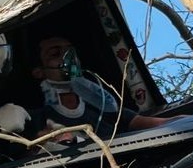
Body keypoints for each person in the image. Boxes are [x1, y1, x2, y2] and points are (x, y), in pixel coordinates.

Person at [28, 36, 172, 140]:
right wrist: (42, 144)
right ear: (38, 71)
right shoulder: (34, 119)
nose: (69, 59)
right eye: (55, 54)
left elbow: (156, 123)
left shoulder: (102, 107)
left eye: (71, 52)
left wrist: (189, 120)